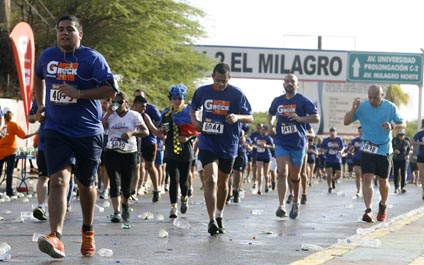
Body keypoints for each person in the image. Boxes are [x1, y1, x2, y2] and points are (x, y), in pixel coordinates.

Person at [34, 15, 118, 258]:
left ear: (80, 34)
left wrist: (78, 93)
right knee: (58, 180)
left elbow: (111, 90)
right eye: (60, 29)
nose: (64, 33)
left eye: (70, 29)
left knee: (86, 184)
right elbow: (38, 77)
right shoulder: (48, 56)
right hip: (55, 129)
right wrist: (40, 105)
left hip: (87, 131)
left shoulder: (93, 59)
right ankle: (56, 237)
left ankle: (88, 231)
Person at [190, 63, 254, 235]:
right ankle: (211, 220)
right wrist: (195, 121)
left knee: (223, 181)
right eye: (218, 80)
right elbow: (193, 107)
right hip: (208, 140)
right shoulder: (202, 91)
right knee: (210, 179)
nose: (220, 84)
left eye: (224, 81)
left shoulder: (237, 94)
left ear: (229, 79)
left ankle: (219, 215)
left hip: (228, 142)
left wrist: (237, 117)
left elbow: (251, 117)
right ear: (212, 77)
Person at [344, 84, 405, 223]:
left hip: (384, 149)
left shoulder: (390, 107)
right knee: (367, 178)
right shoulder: (363, 107)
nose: (372, 101)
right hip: (368, 147)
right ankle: (368, 210)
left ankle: (383, 206)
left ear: (382, 96)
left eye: (375, 98)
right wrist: (353, 109)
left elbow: (403, 124)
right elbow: (346, 121)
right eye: (370, 97)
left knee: (383, 181)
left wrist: (392, 126)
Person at [267, 73, 320, 219]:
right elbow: (270, 114)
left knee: (295, 175)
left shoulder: (302, 101)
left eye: (292, 81)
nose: (289, 83)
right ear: (283, 84)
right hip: (281, 142)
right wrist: (270, 125)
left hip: (297, 143)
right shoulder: (277, 101)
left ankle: (296, 202)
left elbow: (316, 117)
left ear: (297, 85)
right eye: (287, 81)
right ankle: (281, 205)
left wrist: (299, 118)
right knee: (282, 173)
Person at [103, 92, 149, 223]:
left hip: (129, 153)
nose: (115, 105)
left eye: (118, 102)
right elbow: (101, 126)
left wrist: (132, 132)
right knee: (115, 182)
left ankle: (125, 204)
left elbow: (145, 131)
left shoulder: (134, 115)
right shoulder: (111, 116)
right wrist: (108, 113)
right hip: (112, 152)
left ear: (126, 103)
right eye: (113, 102)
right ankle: (116, 212)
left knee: (126, 187)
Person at [157, 84, 199, 218]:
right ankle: (173, 207)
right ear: (171, 99)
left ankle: (184, 198)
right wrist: (163, 131)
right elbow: (162, 129)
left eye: (180, 98)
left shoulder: (189, 111)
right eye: (174, 98)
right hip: (170, 150)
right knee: (173, 179)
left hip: (186, 150)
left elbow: (197, 130)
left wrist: (188, 137)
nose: (177, 101)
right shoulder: (166, 113)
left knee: (183, 179)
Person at [0, 107, 36, 197]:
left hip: (1, 152)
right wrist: (35, 133)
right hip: (11, 151)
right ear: (11, 115)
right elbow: (23, 136)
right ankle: (9, 192)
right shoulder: (14, 125)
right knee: (9, 173)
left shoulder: (3, 127)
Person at [321, 127, 345, 193]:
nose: (332, 133)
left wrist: (341, 151)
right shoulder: (326, 140)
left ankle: (333, 180)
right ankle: (330, 187)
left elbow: (343, 147)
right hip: (328, 159)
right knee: (329, 173)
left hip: (337, 159)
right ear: (329, 132)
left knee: (339, 175)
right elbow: (321, 148)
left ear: (335, 132)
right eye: (331, 131)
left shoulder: (339, 139)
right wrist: (325, 150)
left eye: (333, 131)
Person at [349, 126, 363, 197]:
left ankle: (365, 189)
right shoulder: (355, 140)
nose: (361, 132)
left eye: (362, 131)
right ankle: (358, 190)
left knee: (364, 176)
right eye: (359, 131)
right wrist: (353, 147)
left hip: (365, 159)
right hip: (357, 158)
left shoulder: (368, 139)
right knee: (358, 174)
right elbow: (350, 150)